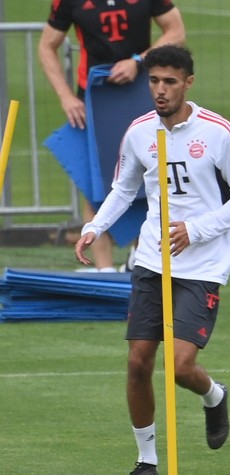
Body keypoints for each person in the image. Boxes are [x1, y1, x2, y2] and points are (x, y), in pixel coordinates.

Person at [75, 45, 230, 475]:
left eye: (170, 82)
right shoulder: (138, 131)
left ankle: (214, 395)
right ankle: (147, 460)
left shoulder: (218, 131)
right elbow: (122, 188)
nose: (160, 90)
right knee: (139, 362)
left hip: (203, 264)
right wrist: (95, 227)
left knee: (179, 367)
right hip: (151, 260)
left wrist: (196, 231)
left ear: (188, 83)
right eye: (154, 81)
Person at [39, 0, 185, 272]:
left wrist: (139, 61)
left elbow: (176, 30)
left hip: (142, 90)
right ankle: (103, 269)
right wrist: (65, 96)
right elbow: (47, 45)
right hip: (94, 95)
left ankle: (141, 259)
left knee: (151, 176)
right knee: (97, 183)